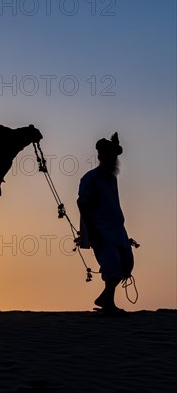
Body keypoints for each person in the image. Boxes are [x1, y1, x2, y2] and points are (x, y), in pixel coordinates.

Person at [77, 132, 134, 314]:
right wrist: (92, 232)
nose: (113, 159)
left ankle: (105, 298)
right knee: (112, 267)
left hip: (117, 229)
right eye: (110, 156)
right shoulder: (91, 178)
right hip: (101, 231)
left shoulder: (112, 178)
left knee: (126, 264)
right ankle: (108, 303)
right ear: (102, 157)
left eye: (115, 156)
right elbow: (82, 203)